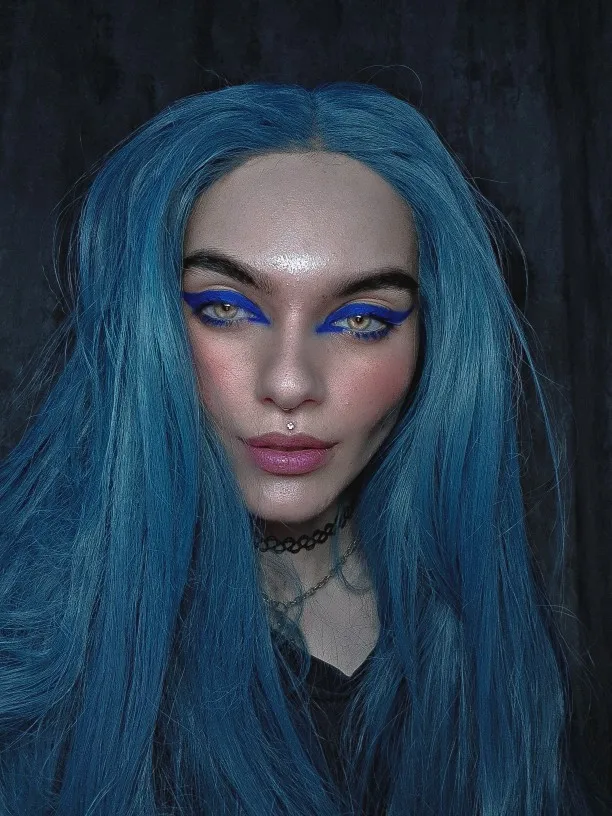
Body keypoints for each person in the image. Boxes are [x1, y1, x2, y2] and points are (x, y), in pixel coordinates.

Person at [0, 81, 600, 815]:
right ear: (147, 322)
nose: (289, 383)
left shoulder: (488, 633)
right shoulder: (31, 640)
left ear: (434, 343)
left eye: (361, 321)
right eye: (225, 309)